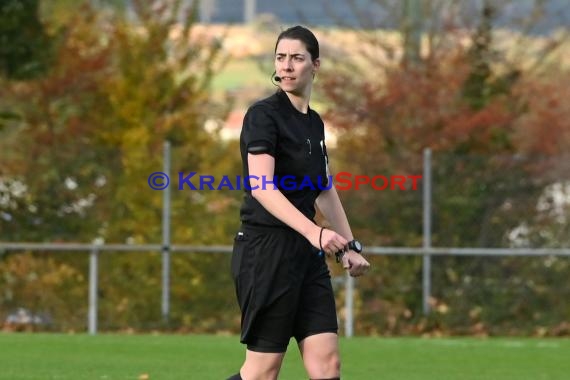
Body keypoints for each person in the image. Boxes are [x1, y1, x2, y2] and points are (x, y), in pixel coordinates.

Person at [228, 25, 370, 380]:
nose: (287, 65)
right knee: (262, 372)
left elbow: (324, 188)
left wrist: (347, 245)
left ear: (315, 65)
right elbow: (261, 187)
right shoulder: (263, 116)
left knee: (327, 365)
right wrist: (316, 233)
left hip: (306, 257)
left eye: (297, 58)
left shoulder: (314, 124)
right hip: (267, 252)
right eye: (281, 57)